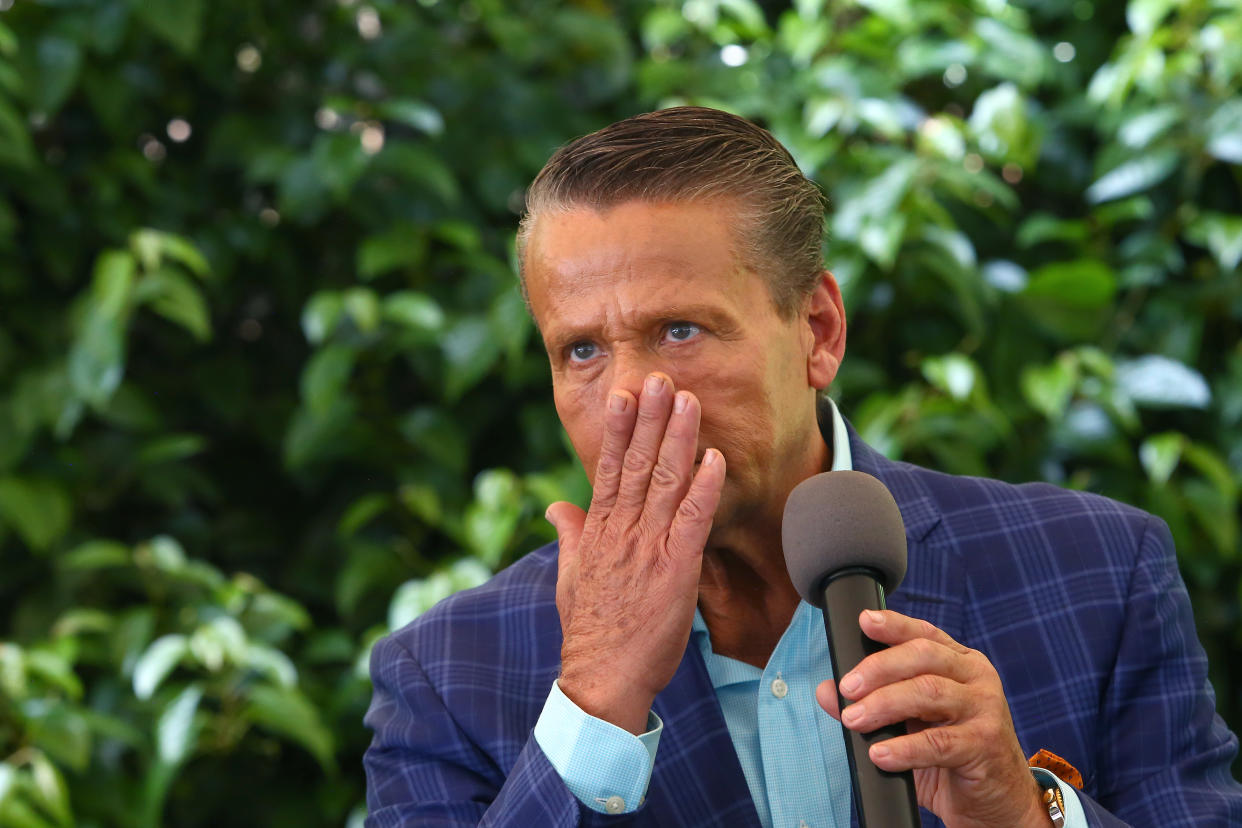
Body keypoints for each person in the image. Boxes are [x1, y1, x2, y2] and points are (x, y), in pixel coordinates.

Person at [363, 107, 1242, 827]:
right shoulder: (445, 673)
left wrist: (1026, 812)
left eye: (681, 331)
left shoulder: (1097, 571)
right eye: (582, 349)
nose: (632, 397)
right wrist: (594, 702)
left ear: (817, 331)